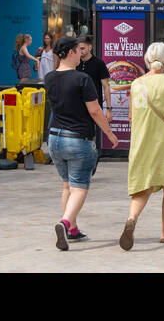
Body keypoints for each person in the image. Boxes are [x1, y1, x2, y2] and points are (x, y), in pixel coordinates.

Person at [43, 35, 119, 250]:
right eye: (78, 50)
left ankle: (72, 229)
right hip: (78, 140)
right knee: (79, 188)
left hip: (55, 138)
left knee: (67, 185)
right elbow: (94, 110)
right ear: (70, 53)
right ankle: (65, 222)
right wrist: (110, 133)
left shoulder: (49, 78)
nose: (81, 53)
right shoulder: (82, 79)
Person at [120, 42, 164, 249]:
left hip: (141, 141)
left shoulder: (136, 83)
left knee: (143, 187)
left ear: (148, 59)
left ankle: (132, 218)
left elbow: (131, 117)